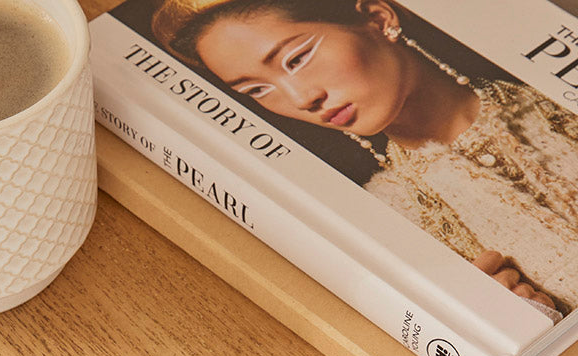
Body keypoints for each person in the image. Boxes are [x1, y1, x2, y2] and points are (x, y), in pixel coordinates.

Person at [150, 0, 578, 320]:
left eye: (297, 58)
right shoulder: (390, 215)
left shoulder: (551, 96)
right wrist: (507, 326)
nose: (302, 99)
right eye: (257, 91)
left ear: (378, 18)